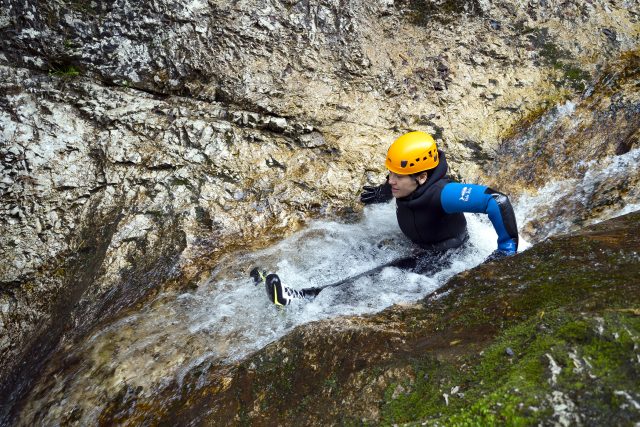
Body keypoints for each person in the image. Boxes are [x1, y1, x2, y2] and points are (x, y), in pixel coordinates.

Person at [254, 131, 518, 305]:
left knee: (377, 276)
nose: (390, 180)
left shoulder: (444, 194)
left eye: (396, 177)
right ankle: (290, 280)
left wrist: (506, 253)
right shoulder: (410, 178)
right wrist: (383, 192)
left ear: (422, 176)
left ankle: (300, 298)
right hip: (418, 242)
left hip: (445, 255)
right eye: (388, 174)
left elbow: (497, 201)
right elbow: (396, 180)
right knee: (353, 251)